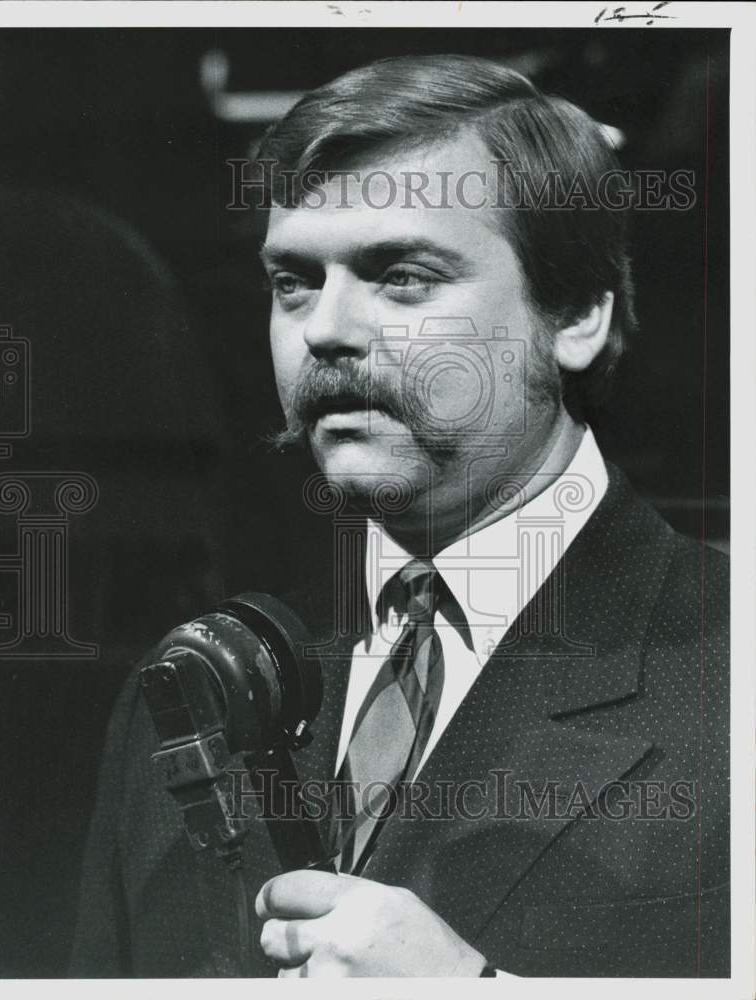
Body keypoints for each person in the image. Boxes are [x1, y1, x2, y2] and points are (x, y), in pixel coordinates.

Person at [69, 54, 729, 978]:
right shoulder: (184, 695)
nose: (325, 329)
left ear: (574, 313)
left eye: (403, 276)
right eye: (293, 281)